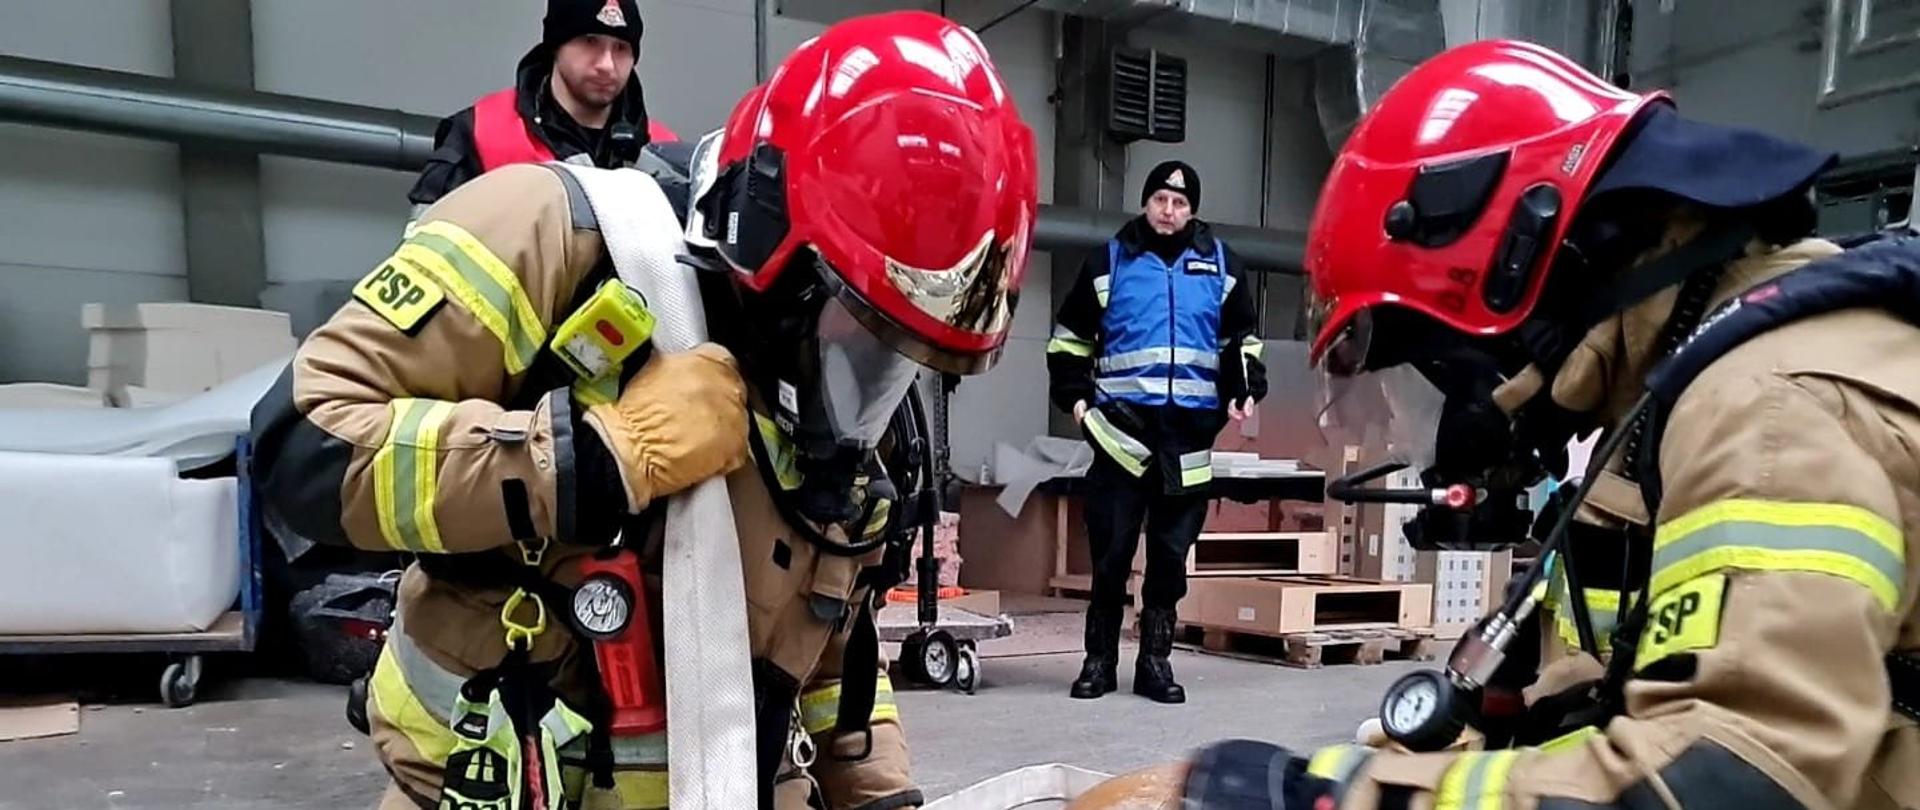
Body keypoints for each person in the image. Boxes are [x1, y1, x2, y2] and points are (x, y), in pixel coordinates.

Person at [1070, 39, 1920, 808]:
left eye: (1425, 377)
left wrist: (1327, 798)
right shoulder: (1669, 407)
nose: (1435, 434)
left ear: (1519, 278)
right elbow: (1641, 693)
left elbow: (1730, 778)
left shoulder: (1768, 410)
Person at [249, 10, 1037, 809]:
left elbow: (834, 638)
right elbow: (305, 445)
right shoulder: (545, 232)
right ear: (780, 252)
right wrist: (594, 458)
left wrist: (874, 787)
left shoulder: (865, 386)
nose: (878, 373)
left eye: (907, 354)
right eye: (863, 333)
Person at [1046, 161, 1266, 704]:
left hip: (1187, 442)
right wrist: (1076, 403)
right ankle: (1098, 663)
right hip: (1120, 438)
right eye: (1160, 200)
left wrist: (1244, 388)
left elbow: (1241, 341)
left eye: (1180, 203)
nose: (1169, 211)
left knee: (1169, 562)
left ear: (1193, 210)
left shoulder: (1221, 265)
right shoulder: (1110, 261)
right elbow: (1070, 340)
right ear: (1146, 203)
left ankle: (1155, 665)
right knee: (1110, 559)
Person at [404, 0, 678, 223]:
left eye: (621, 48)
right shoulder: (482, 130)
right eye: (590, 41)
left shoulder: (663, 152)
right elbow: (424, 252)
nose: (607, 64)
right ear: (556, 46)